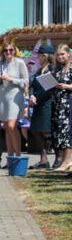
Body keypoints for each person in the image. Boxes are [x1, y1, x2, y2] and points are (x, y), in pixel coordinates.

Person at [0, 43, 29, 159]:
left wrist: (11, 79)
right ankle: (10, 157)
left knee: (12, 126)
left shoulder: (20, 63)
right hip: (2, 96)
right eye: (6, 50)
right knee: (7, 128)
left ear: (14, 51)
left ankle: (18, 156)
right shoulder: (0, 64)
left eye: (11, 50)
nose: (8, 52)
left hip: (14, 96)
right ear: (2, 52)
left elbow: (26, 82)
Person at [28, 44, 56, 169]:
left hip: (47, 104)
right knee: (35, 129)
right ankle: (43, 159)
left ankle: (58, 157)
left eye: (39, 55)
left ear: (45, 56)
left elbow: (49, 89)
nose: (38, 57)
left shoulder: (52, 69)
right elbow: (32, 85)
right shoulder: (39, 70)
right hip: (38, 104)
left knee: (48, 131)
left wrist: (36, 97)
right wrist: (31, 95)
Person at [49, 44, 72, 172]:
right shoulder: (57, 69)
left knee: (67, 133)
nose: (60, 57)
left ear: (68, 54)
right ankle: (65, 161)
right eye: (58, 55)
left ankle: (67, 161)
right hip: (58, 104)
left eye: (62, 54)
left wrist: (66, 86)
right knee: (59, 133)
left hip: (68, 104)